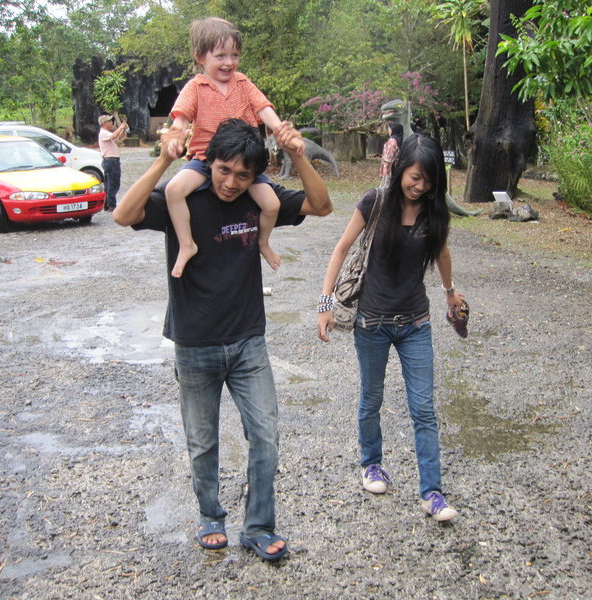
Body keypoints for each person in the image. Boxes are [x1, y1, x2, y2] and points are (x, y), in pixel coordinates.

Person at [113, 118, 332, 561]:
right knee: (203, 441)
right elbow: (123, 214)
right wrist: (162, 161)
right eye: (223, 171)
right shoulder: (185, 198)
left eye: (243, 175)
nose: (231, 183)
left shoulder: (259, 200)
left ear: (256, 176)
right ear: (209, 162)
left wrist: (298, 154)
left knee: (266, 437)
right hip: (194, 343)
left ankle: (258, 526)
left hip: (248, 341)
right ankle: (211, 516)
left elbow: (321, 205)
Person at [316, 133, 463, 522]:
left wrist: (450, 292)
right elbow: (340, 248)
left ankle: (432, 492)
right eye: (415, 177)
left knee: (424, 409)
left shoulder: (433, 213)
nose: (420, 186)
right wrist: (325, 304)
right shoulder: (374, 202)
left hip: (416, 323)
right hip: (372, 323)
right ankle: (371, 464)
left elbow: (442, 252)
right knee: (372, 399)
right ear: (400, 170)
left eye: (429, 181)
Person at [164, 16, 304, 278]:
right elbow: (180, 120)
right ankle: (187, 244)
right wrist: (175, 139)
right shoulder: (195, 87)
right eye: (220, 56)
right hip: (207, 159)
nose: (229, 62)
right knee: (174, 190)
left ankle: (263, 242)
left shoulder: (243, 83)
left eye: (235, 55)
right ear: (200, 57)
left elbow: (264, 110)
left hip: (244, 162)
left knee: (272, 205)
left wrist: (282, 132)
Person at [98, 114, 128, 211]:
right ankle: (112, 204)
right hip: (111, 160)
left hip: (110, 161)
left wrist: (123, 129)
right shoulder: (103, 133)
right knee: (113, 183)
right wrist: (121, 127)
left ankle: (107, 204)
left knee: (108, 183)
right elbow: (114, 135)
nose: (111, 123)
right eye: (109, 121)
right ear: (104, 123)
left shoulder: (106, 133)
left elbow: (119, 137)